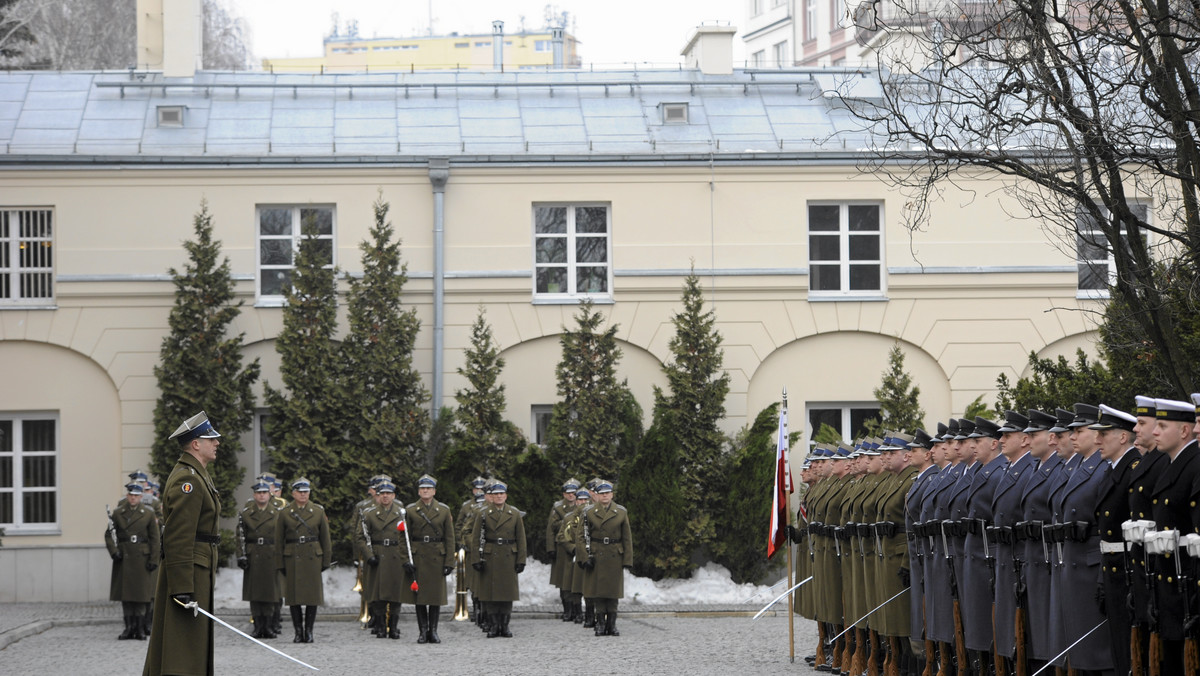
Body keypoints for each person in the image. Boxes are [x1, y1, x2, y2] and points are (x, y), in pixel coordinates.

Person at [142, 411, 222, 676]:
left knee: (190, 645)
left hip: (197, 567)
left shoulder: (196, 474)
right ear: (196, 444)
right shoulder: (188, 479)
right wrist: (182, 586)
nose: (217, 442)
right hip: (190, 571)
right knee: (183, 649)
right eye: (211, 438)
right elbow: (178, 536)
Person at [275, 477, 331, 643]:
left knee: (312, 597)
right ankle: (298, 631)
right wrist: (279, 562)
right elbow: (279, 540)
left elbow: (325, 538)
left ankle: (309, 631)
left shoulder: (318, 511)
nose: (303, 495)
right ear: (293, 493)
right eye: (300, 492)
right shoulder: (285, 513)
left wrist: (326, 560)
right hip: (292, 556)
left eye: (306, 492)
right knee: (294, 597)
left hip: (312, 556)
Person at [469, 479, 527, 638]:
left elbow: (521, 538)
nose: (499, 497)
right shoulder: (483, 513)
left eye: (501, 494)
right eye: (496, 494)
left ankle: (505, 625)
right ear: (491, 497)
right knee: (491, 594)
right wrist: (476, 558)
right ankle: (494, 625)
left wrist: (521, 559)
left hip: (509, 554)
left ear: (506, 496)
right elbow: (476, 538)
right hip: (490, 555)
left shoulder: (514, 513)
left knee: (507, 594)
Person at [406, 474, 456, 644]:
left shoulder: (443, 510)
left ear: (434, 491)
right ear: (419, 492)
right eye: (422, 489)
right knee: (419, 597)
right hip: (418, 556)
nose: (425, 491)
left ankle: (433, 631)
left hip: (437, 556)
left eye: (428, 488)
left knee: (435, 597)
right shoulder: (411, 510)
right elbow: (404, 538)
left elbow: (450, 537)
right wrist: (406, 559)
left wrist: (450, 561)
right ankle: (422, 631)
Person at [579, 479, 633, 636]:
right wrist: (584, 557)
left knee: (613, 593)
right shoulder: (588, 512)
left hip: (615, 555)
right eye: (601, 494)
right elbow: (581, 536)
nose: (604, 496)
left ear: (612, 494)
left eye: (607, 493)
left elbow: (627, 537)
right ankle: (600, 623)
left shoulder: (621, 512)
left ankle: (612, 624)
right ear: (596, 495)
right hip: (596, 555)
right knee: (598, 593)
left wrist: (627, 559)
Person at [107, 482, 160, 640]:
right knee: (126, 596)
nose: (133, 498)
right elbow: (109, 534)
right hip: (124, 557)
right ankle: (128, 627)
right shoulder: (118, 513)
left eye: (136, 495)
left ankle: (140, 628)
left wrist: (154, 559)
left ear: (141, 497)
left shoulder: (148, 513)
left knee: (142, 596)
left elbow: (155, 539)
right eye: (130, 495)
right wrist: (114, 551)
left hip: (142, 557)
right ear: (127, 496)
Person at [357, 480, 409, 639]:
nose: (385, 496)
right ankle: (380, 626)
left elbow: (408, 537)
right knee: (377, 594)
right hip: (378, 554)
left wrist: (407, 558)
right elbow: (360, 537)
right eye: (382, 494)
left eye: (388, 493)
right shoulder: (369, 513)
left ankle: (393, 627)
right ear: (378, 496)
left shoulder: (402, 513)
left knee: (396, 594)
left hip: (396, 555)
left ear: (393, 495)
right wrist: (369, 555)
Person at [237, 480, 281, 639]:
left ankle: (268, 626)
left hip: (271, 554)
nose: (262, 495)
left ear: (269, 495)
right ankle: (257, 626)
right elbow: (240, 536)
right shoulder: (246, 514)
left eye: (264, 493)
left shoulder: (277, 514)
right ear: (254, 495)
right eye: (259, 493)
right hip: (253, 553)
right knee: (254, 593)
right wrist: (241, 554)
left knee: (270, 593)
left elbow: (281, 537)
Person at [547, 478, 580, 620]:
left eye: (574, 493)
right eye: (568, 493)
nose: (571, 495)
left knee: (576, 579)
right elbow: (551, 528)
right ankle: (567, 609)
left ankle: (577, 610)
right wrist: (550, 549)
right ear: (564, 494)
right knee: (563, 580)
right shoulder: (558, 508)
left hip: (577, 546)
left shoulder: (583, 506)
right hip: (562, 547)